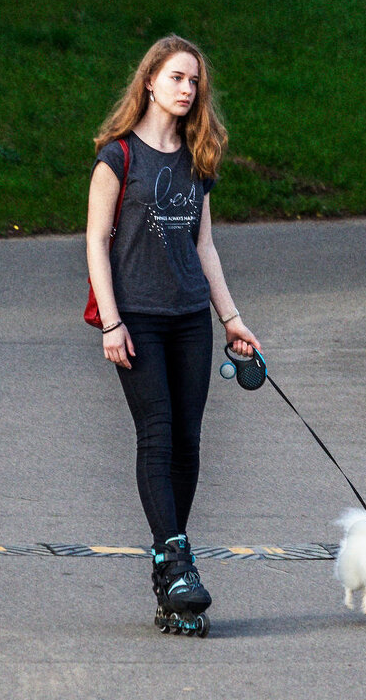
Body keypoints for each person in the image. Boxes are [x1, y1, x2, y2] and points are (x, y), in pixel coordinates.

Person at [85, 34, 260, 632]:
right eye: (177, 78)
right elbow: (94, 244)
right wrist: (111, 320)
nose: (187, 90)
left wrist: (231, 319)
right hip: (137, 321)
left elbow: (204, 245)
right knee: (156, 433)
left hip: (190, 319)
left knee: (187, 441)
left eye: (194, 82)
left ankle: (171, 567)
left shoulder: (197, 157)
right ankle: (175, 562)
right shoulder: (117, 157)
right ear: (150, 80)